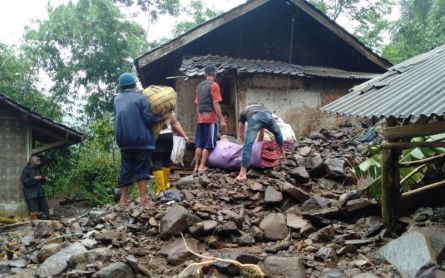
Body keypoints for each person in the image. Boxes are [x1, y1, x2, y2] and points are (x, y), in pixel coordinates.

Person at [114, 72, 170, 207]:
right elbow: (149, 119)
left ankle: (123, 200)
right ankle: (143, 199)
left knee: (126, 169)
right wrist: (162, 117)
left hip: (124, 141)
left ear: (121, 87)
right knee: (142, 169)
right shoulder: (141, 98)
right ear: (134, 85)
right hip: (141, 141)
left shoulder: (116, 99)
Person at [236, 103, 284, 181]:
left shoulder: (244, 112)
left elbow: (241, 134)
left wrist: (248, 143)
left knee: (247, 145)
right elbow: (262, 131)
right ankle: (283, 154)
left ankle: (242, 174)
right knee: (278, 134)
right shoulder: (263, 108)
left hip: (255, 118)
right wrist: (258, 143)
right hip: (268, 116)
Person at [193, 65, 227, 172]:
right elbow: (215, 103)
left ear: (204, 74)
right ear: (215, 73)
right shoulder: (214, 85)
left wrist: (198, 116)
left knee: (199, 144)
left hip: (200, 118)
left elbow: (197, 104)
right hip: (210, 119)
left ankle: (195, 167)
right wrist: (222, 119)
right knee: (208, 143)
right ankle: (202, 166)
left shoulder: (199, 86)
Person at [152, 114, 189, 195]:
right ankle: (165, 186)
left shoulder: (151, 106)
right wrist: (184, 135)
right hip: (168, 135)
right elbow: (175, 122)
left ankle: (161, 189)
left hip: (156, 135)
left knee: (157, 161)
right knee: (166, 160)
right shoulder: (167, 107)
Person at [21, 156, 50, 220]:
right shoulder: (26, 170)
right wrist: (34, 178)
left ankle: (48, 220)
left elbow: (42, 182)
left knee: (45, 207)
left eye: (39, 160)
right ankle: (36, 225)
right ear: (32, 161)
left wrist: (43, 178)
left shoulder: (38, 169)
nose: (39, 161)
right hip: (31, 194)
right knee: (34, 211)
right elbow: (24, 181)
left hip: (39, 192)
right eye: (37, 160)